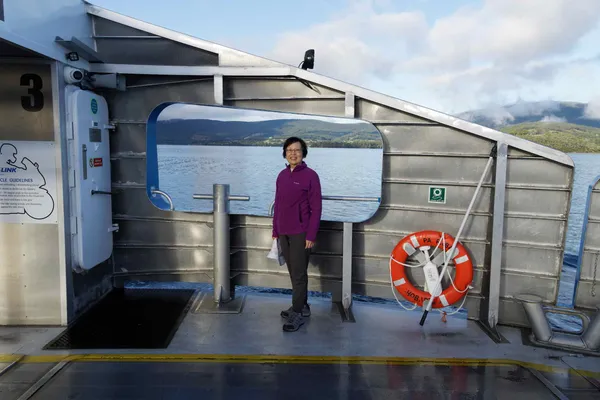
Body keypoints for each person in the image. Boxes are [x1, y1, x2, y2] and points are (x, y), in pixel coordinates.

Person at [272, 136, 322, 332]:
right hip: (283, 231)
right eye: (289, 150)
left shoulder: (311, 176)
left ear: (303, 154)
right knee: (293, 271)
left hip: (301, 232)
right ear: (285, 153)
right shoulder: (281, 176)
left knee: (299, 273)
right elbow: (278, 204)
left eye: (297, 150)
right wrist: (275, 230)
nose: (293, 153)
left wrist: (311, 235)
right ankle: (303, 306)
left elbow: (316, 208)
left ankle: (298, 313)